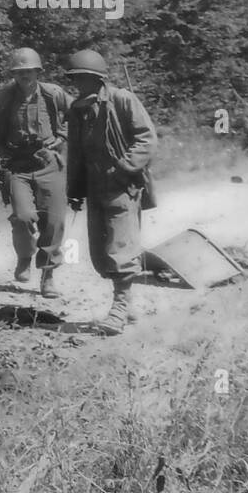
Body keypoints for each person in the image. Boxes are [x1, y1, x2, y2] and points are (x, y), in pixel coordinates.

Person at [64, 50, 158, 333]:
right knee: (101, 249)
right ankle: (126, 305)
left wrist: (123, 167)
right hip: (94, 185)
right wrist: (76, 188)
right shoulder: (78, 110)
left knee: (120, 246)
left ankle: (119, 307)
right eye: (75, 79)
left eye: (84, 78)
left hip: (121, 184)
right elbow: (76, 153)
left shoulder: (122, 100)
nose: (79, 83)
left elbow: (147, 139)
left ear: (98, 78)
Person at [0, 47, 71, 298]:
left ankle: (48, 275)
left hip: (49, 163)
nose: (25, 77)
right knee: (22, 216)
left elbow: (77, 114)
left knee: (53, 221)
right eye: (20, 73)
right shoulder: (4, 96)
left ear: (38, 72)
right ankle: (24, 257)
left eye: (29, 71)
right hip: (18, 165)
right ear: (14, 75)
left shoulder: (53, 94)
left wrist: (62, 135)